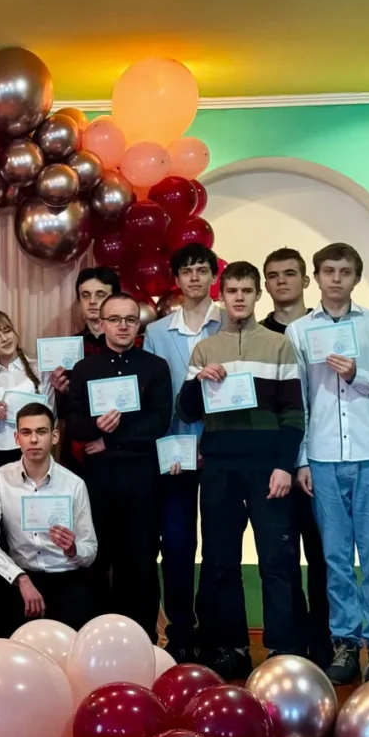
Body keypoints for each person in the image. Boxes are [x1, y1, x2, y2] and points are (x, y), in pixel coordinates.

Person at [176, 262, 306, 678]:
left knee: (278, 560)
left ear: (257, 295)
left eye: (246, 291)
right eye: (232, 290)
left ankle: (282, 647)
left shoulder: (279, 345)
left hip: (268, 469)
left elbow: (294, 413)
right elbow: (187, 411)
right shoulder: (204, 349)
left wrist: (285, 465)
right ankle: (231, 646)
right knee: (220, 561)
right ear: (221, 295)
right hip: (219, 468)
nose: (239, 298)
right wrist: (198, 381)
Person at [286, 242, 369, 684]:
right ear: (316, 277)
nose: (336, 279)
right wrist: (301, 459)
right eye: (329, 271)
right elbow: (298, 400)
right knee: (335, 559)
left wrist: (358, 375)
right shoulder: (299, 330)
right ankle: (345, 643)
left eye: (345, 271)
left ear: (357, 278)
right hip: (321, 457)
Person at [68, 294, 173, 641]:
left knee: (141, 560)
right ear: (102, 324)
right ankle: (97, 639)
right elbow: (74, 423)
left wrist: (110, 440)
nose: (123, 326)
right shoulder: (85, 369)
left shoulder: (156, 367)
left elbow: (159, 422)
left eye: (130, 319)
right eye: (115, 319)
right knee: (97, 558)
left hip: (142, 477)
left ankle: (142, 641)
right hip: (98, 479)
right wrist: (96, 426)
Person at [142, 243, 221, 659]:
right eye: (186, 271)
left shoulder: (229, 322)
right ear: (176, 279)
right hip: (172, 452)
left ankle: (215, 631)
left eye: (201, 270)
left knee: (220, 544)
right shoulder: (157, 332)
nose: (194, 277)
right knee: (176, 543)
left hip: (220, 447)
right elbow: (155, 395)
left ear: (213, 277)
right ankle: (180, 632)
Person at [261, 248, 331, 669]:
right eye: (273, 275)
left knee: (322, 554)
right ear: (265, 285)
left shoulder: (323, 329)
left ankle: (325, 643)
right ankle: (290, 645)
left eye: (290, 273)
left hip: (320, 459)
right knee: (281, 557)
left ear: (306, 280)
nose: (282, 281)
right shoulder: (260, 335)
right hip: (277, 462)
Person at [0, 402, 98, 634]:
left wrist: (73, 549)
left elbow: (90, 550)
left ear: (54, 436)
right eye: (26, 432)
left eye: (41, 432)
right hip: (20, 575)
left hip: (65, 575)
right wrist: (19, 577)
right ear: (16, 438)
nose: (33, 440)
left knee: (75, 624)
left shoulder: (74, 484)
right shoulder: (0, 479)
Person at [50, 266, 122, 477]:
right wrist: (60, 391)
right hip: (79, 452)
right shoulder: (67, 348)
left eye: (100, 294)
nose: (92, 301)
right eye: (85, 295)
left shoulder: (132, 345)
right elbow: (65, 412)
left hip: (122, 450)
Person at [0, 310, 56, 489]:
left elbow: (52, 416)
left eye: (7, 330)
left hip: (33, 454)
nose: (5, 339)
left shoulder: (41, 370)